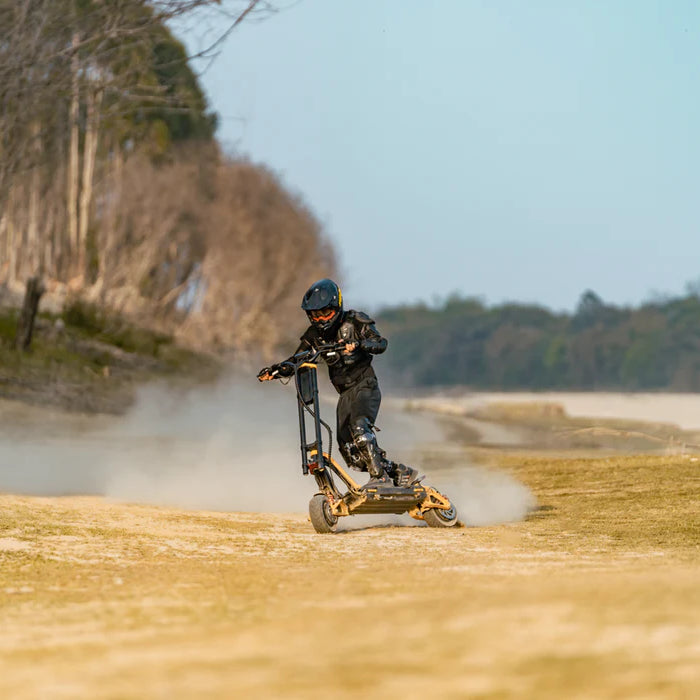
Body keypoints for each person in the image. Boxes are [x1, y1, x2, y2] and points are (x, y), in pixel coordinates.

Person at [258, 278, 418, 487]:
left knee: (360, 428)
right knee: (350, 453)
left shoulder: (355, 321)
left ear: (338, 306)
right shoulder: (314, 335)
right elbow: (298, 359)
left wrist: (359, 344)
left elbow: (381, 343)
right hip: (344, 395)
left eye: (327, 313)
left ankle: (380, 479)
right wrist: (276, 370)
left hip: (365, 385)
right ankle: (399, 472)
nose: (322, 319)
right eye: (316, 315)